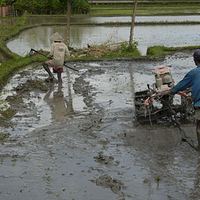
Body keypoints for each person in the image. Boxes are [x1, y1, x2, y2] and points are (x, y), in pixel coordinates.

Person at [170, 49, 200, 147]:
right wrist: (192, 97)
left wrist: (171, 90)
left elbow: (180, 87)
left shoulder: (194, 73)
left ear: (195, 60)